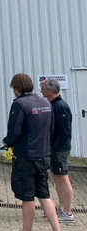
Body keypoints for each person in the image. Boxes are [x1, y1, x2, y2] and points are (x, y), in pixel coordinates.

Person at [1, 73, 67, 231]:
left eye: (12, 87)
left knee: (27, 196)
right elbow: (51, 129)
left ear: (16, 87)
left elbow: (14, 132)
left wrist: (7, 142)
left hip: (26, 157)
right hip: (43, 155)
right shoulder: (46, 103)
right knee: (44, 195)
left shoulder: (19, 104)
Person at [40, 78, 74, 222]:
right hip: (55, 149)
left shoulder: (60, 106)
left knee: (62, 178)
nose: (41, 90)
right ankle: (61, 209)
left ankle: (67, 212)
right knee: (57, 178)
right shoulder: (53, 104)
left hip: (59, 150)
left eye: (42, 88)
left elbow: (65, 132)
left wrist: (54, 149)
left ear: (49, 90)